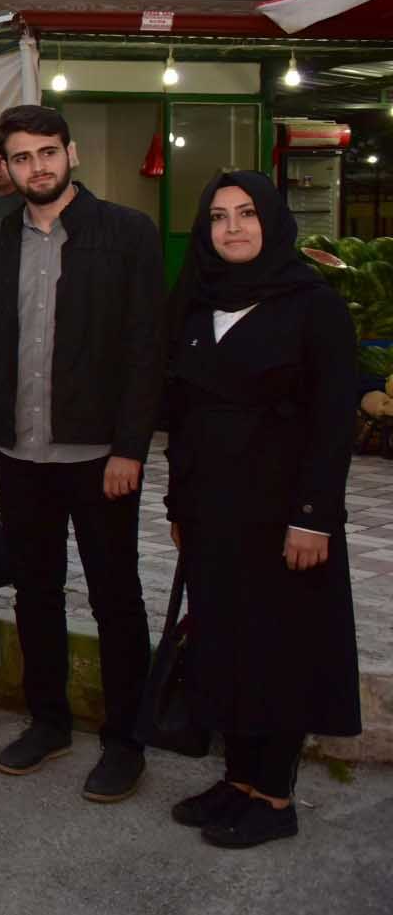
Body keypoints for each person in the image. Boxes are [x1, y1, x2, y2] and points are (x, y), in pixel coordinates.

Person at [0, 104, 164, 801]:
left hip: (101, 456)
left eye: (48, 152)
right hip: (19, 454)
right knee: (38, 593)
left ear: (70, 153)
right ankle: (48, 721)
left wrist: (131, 447)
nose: (37, 167)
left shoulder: (127, 234)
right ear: (7, 166)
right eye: (22, 157)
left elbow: (146, 351)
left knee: (116, 598)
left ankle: (126, 738)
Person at [161, 172, 360, 848]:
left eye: (246, 214)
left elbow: (335, 423)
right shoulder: (199, 304)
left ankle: (275, 797)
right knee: (224, 647)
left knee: (280, 652)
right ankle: (238, 781)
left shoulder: (314, 306)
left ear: (272, 221)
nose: (232, 228)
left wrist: (314, 515)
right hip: (214, 513)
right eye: (218, 217)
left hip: (284, 515)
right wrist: (176, 501)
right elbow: (182, 417)